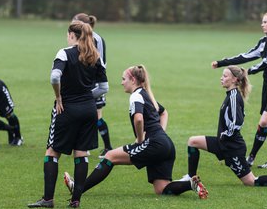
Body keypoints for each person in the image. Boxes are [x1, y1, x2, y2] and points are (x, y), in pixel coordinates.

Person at [64, 65, 208, 199]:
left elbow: (138, 119)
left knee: (110, 156)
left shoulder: (136, 95)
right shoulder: (146, 95)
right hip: (166, 145)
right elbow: (163, 113)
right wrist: (160, 133)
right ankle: (190, 184)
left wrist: (140, 139)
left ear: (133, 80)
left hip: (155, 143)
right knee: (161, 189)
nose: (121, 83)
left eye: (123, 79)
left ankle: (78, 188)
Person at [179, 65, 267, 188]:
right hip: (222, 143)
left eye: (225, 76)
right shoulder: (230, 95)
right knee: (193, 141)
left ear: (234, 79)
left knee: (251, 181)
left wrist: (226, 134)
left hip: (232, 147)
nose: (221, 78)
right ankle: (191, 177)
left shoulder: (234, 97)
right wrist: (223, 136)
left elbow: (238, 122)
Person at [27, 20, 108, 209]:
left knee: (52, 151)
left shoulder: (64, 53)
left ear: (72, 35)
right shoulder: (95, 56)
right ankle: (76, 200)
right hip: (89, 110)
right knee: (81, 153)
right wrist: (87, 96)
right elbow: (104, 87)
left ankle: (48, 199)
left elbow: (55, 76)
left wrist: (59, 97)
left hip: (67, 108)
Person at [211, 11, 267, 169]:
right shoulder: (264, 41)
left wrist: (248, 71)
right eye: (262, 22)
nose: (262, 25)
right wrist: (221, 63)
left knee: (264, 121)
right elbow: (246, 56)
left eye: (265, 22)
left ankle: (251, 157)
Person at [72, 13, 112, 159]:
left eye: (74, 22)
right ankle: (84, 147)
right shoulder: (84, 38)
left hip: (94, 82)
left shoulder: (94, 39)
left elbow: (97, 63)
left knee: (96, 116)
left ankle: (107, 147)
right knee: (86, 115)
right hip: (88, 81)